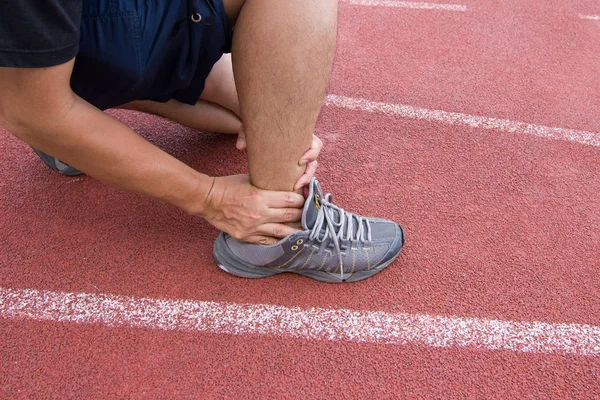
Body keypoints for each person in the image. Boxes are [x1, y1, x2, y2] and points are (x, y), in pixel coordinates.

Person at [0, 0, 404, 283]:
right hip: (78, 36)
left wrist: (280, 111)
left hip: (78, 34)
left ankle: (57, 96)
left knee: (256, 113)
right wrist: (212, 197)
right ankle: (277, 230)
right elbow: (30, 112)